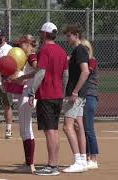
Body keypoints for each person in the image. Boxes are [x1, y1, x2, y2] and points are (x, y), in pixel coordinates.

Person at [28, 22, 68, 176]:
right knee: (54, 131)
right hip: (57, 95)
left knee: (49, 131)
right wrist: (62, 91)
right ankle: (53, 164)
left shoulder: (44, 50)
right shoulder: (62, 51)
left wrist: (32, 92)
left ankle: (52, 166)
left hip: (46, 95)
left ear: (45, 34)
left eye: (41, 32)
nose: (40, 34)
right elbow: (66, 75)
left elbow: (41, 72)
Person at [7, 35, 39, 173]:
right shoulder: (28, 58)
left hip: (28, 96)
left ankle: (29, 164)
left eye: (21, 44)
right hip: (27, 94)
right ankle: (28, 163)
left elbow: (39, 70)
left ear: (27, 43)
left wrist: (22, 77)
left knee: (26, 130)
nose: (20, 47)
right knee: (25, 130)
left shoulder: (32, 56)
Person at [62, 24, 91, 173]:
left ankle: (78, 160)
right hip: (79, 94)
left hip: (76, 95)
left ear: (76, 35)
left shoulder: (80, 50)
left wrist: (74, 92)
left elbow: (85, 72)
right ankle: (83, 160)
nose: (67, 39)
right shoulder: (78, 51)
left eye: (68, 36)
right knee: (78, 126)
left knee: (67, 127)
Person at [81, 39, 99, 169]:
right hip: (82, 97)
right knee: (82, 129)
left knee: (89, 129)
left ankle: (94, 158)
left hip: (90, 97)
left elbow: (86, 72)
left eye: (84, 49)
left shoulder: (92, 60)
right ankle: (86, 156)